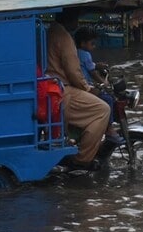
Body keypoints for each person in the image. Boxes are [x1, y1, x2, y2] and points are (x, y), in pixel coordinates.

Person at [46, 9, 112, 171]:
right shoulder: (64, 37)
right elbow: (73, 72)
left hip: (51, 87)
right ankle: (83, 159)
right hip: (61, 90)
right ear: (70, 19)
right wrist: (88, 88)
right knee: (103, 109)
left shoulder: (50, 31)